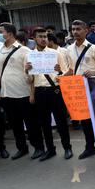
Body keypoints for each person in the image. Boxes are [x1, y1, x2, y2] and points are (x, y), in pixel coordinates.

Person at [0, 22, 44, 160]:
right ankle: (22, 148)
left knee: (31, 123)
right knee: (15, 124)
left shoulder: (24, 50)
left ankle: (38, 147)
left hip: (23, 93)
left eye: (0, 31)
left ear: (9, 33)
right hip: (6, 94)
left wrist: (32, 93)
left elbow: (33, 75)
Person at [25, 27, 73, 161]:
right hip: (40, 91)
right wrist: (27, 71)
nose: (43, 39)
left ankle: (67, 148)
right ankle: (50, 149)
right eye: (40, 36)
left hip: (55, 90)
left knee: (61, 121)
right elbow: (30, 80)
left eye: (45, 36)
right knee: (44, 123)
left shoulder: (55, 53)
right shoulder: (29, 56)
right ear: (34, 38)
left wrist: (59, 72)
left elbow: (64, 73)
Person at [64, 20, 95, 160]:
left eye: (78, 29)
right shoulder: (69, 50)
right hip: (77, 90)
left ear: (86, 30)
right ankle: (90, 147)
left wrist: (94, 73)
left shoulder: (94, 48)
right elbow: (71, 70)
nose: (75, 31)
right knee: (85, 120)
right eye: (73, 29)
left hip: (93, 87)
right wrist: (61, 76)